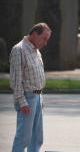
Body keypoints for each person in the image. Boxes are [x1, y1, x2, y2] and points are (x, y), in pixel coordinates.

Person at [10, 23, 51, 152]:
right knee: (24, 138)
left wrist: (40, 98)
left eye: (47, 39)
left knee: (37, 138)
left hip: (37, 97)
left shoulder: (36, 50)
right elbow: (16, 80)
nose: (45, 43)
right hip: (27, 98)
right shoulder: (19, 49)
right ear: (34, 34)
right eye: (44, 38)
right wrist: (22, 102)